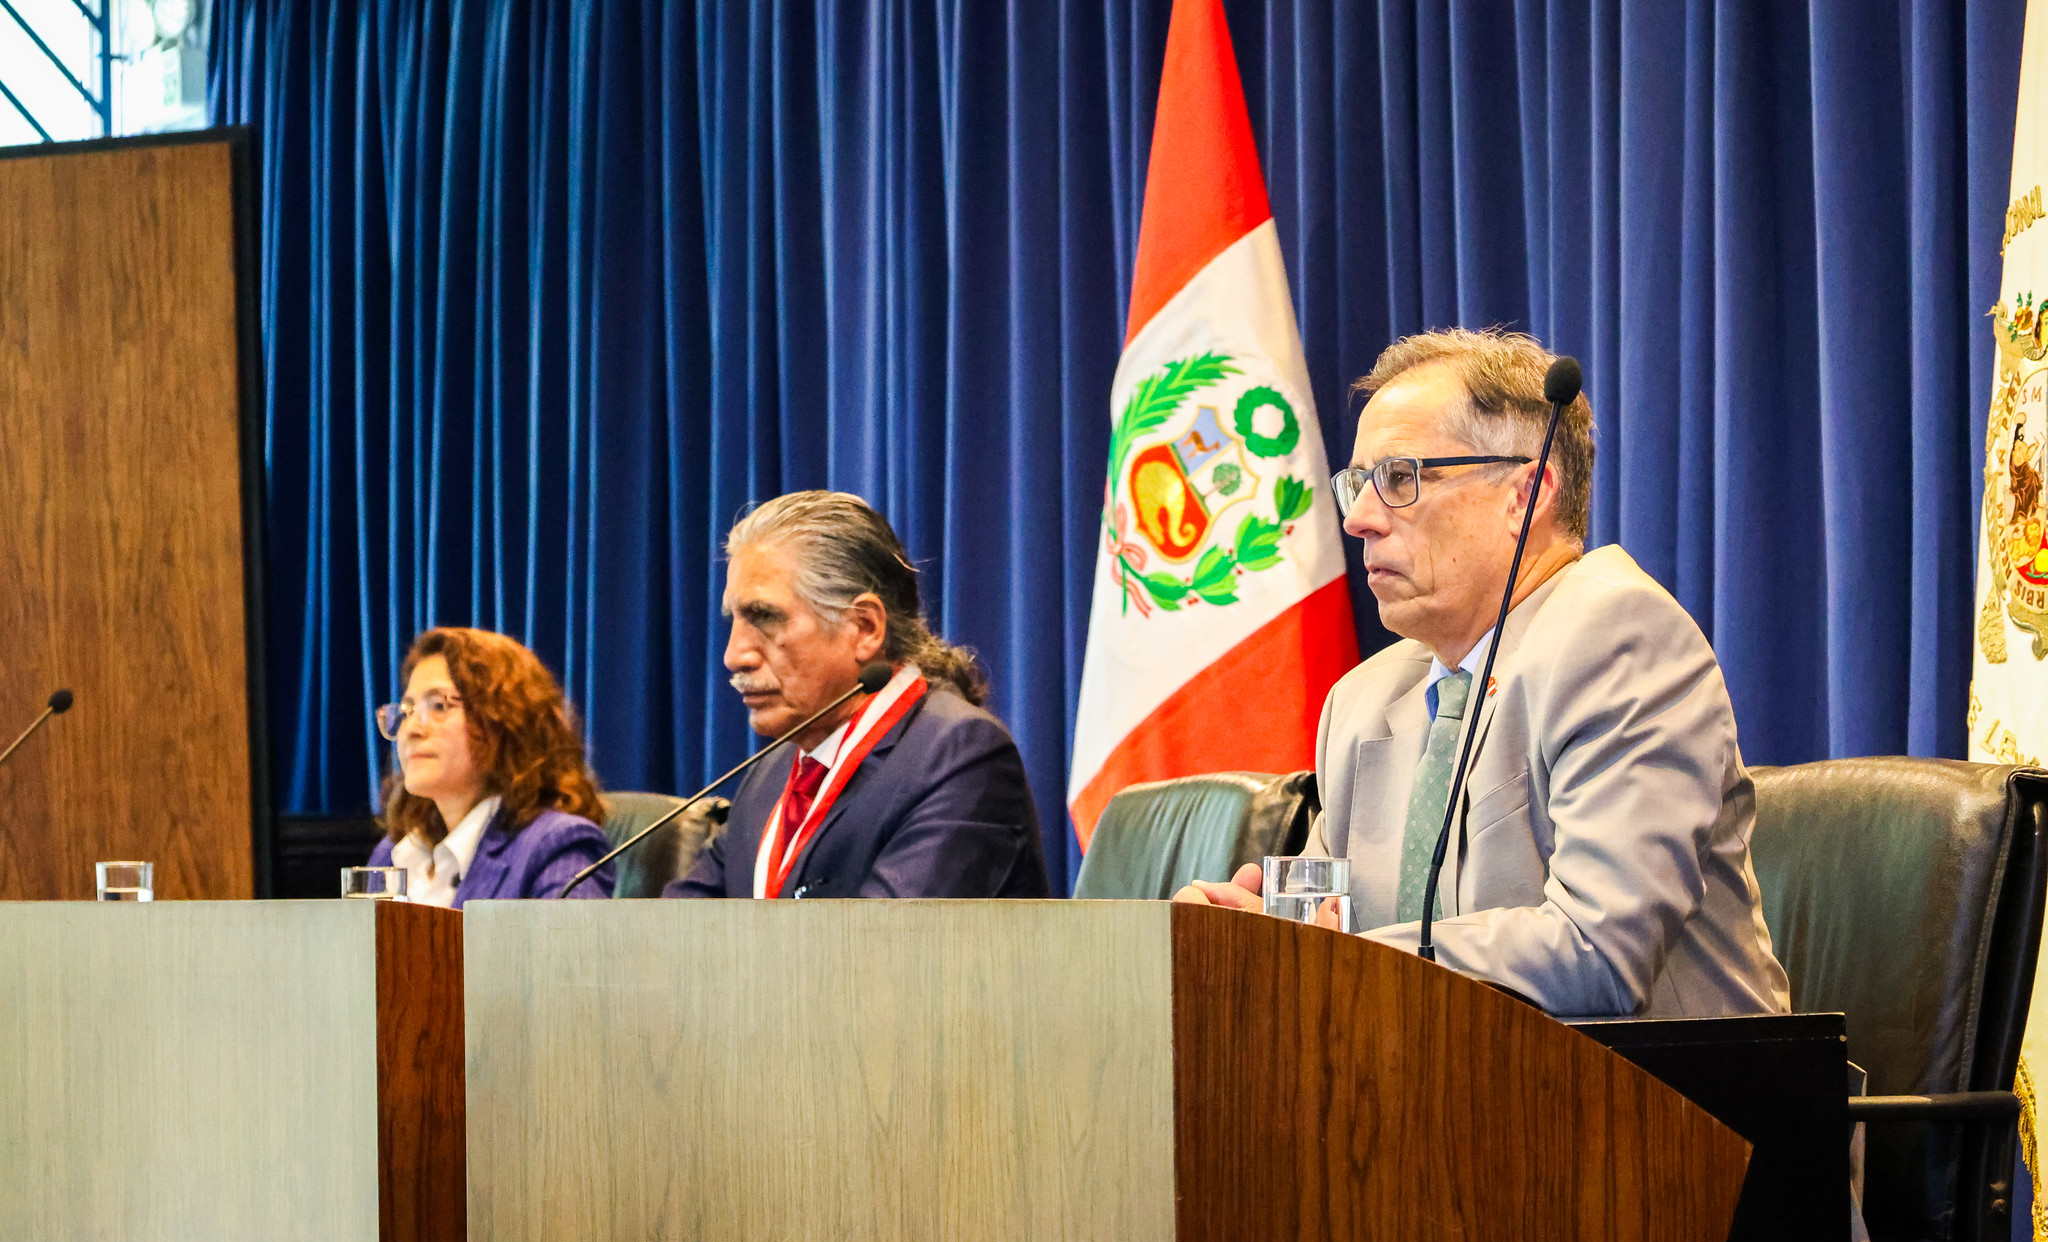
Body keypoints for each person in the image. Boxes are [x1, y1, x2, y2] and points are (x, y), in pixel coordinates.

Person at [1175, 328, 1789, 1020]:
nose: (1361, 520)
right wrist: (1258, 938)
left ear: (1525, 495)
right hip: (1449, 1078)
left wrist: (1335, 959)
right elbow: (1333, 935)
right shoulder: (1363, 699)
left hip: (1668, 1086)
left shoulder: (1621, 638)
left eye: (1399, 478)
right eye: (1358, 485)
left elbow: (1597, 950)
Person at [666, 490, 1050, 900]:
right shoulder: (772, 774)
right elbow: (678, 928)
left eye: (764, 617)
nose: (734, 656)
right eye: (736, 620)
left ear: (865, 628)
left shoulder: (959, 755)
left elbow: (883, 939)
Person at [370, 626, 615, 905]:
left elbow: (564, 936)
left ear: (505, 719)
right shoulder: (394, 853)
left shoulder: (556, 846)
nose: (412, 729)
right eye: (406, 710)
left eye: (438, 706)